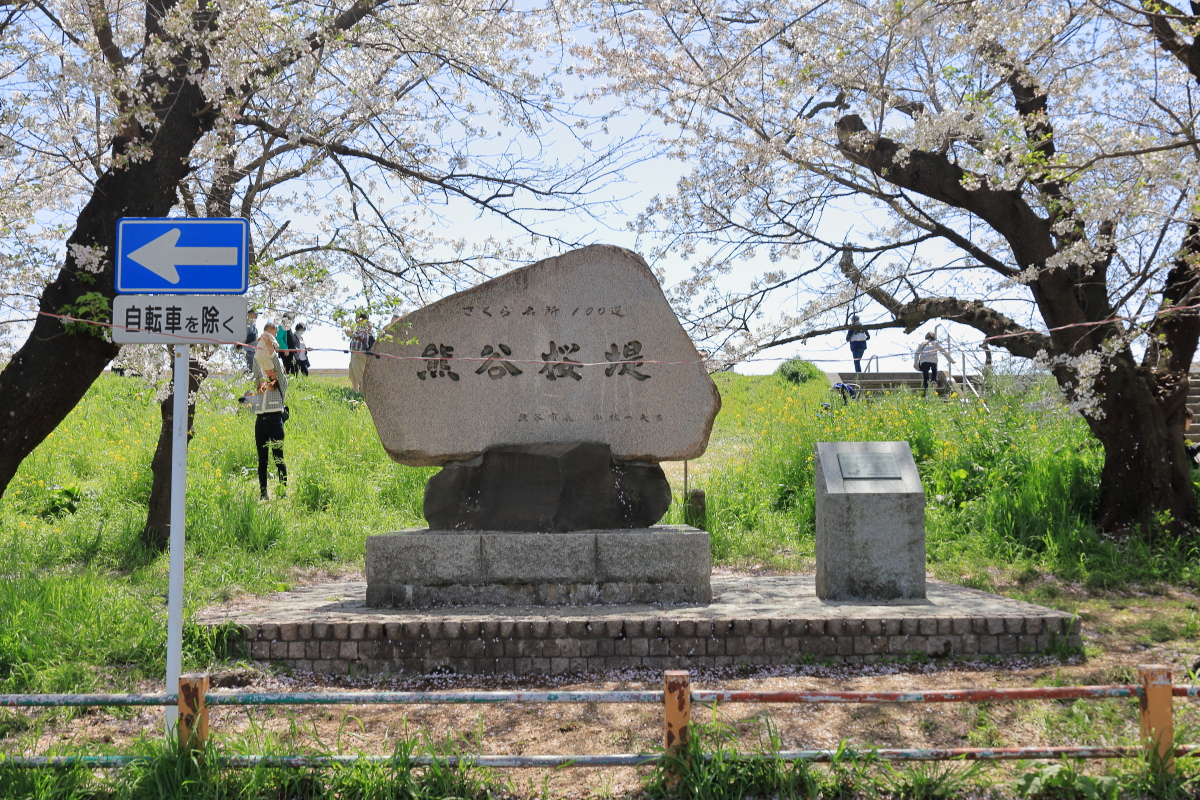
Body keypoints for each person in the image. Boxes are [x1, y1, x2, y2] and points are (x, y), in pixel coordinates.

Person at [252, 323, 288, 500]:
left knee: (278, 458)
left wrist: (270, 347)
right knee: (262, 460)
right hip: (260, 422)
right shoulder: (261, 384)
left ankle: (282, 492)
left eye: (273, 370)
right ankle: (263, 493)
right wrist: (260, 344)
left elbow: (274, 361)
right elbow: (256, 366)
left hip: (275, 421)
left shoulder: (281, 383)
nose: (270, 371)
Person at [914, 331, 953, 396]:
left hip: (924, 361)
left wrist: (916, 363)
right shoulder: (935, 343)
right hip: (933, 360)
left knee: (925, 377)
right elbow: (943, 351)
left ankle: (926, 389)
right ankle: (934, 380)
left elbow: (917, 352)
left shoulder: (922, 342)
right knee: (934, 370)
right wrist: (950, 359)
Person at [344, 310, 373, 394]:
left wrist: (351, 334)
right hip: (354, 354)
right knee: (352, 375)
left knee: (360, 375)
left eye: (358, 317)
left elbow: (363, 337)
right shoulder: (357, 328)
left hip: (360, 354)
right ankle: (356, 392)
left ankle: (364, 394)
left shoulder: (366, 327)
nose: (356, 319)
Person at [241, 309, 258, 373]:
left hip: (254, 350)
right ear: (249, 314)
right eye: (255, 314)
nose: (256, 316)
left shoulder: (253, 325)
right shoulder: (246, 324)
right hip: (248, 350)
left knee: (254, 369)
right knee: (251, 369)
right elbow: (243, 338)